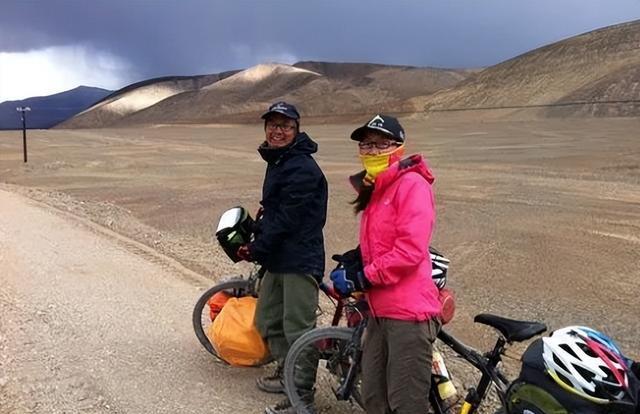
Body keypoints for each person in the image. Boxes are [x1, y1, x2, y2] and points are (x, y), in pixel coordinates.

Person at [333, 114, 442, 414]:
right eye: (366, 145)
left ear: (398, 147)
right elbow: (380, 243)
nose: (372, 151)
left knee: (405, 404)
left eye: (381, 144)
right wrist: (355, 262)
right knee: (374, 399)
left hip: (408, 315)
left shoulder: (412, 185)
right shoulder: (378, 189)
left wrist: (363, 277)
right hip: (379, 311)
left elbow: (409, 250)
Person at [237, 101, 328, 414]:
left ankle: (302, 396)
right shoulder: (280, 160)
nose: (278, 131)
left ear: (296, 130)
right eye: (273, 125)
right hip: (279, 256)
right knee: (269, 319)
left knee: (298, 328)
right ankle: (285, 371)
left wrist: (257, 248)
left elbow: (288, 219)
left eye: (286, 126)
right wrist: (257, 232)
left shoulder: (301, 168)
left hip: (299, 259)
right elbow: (275, 212)